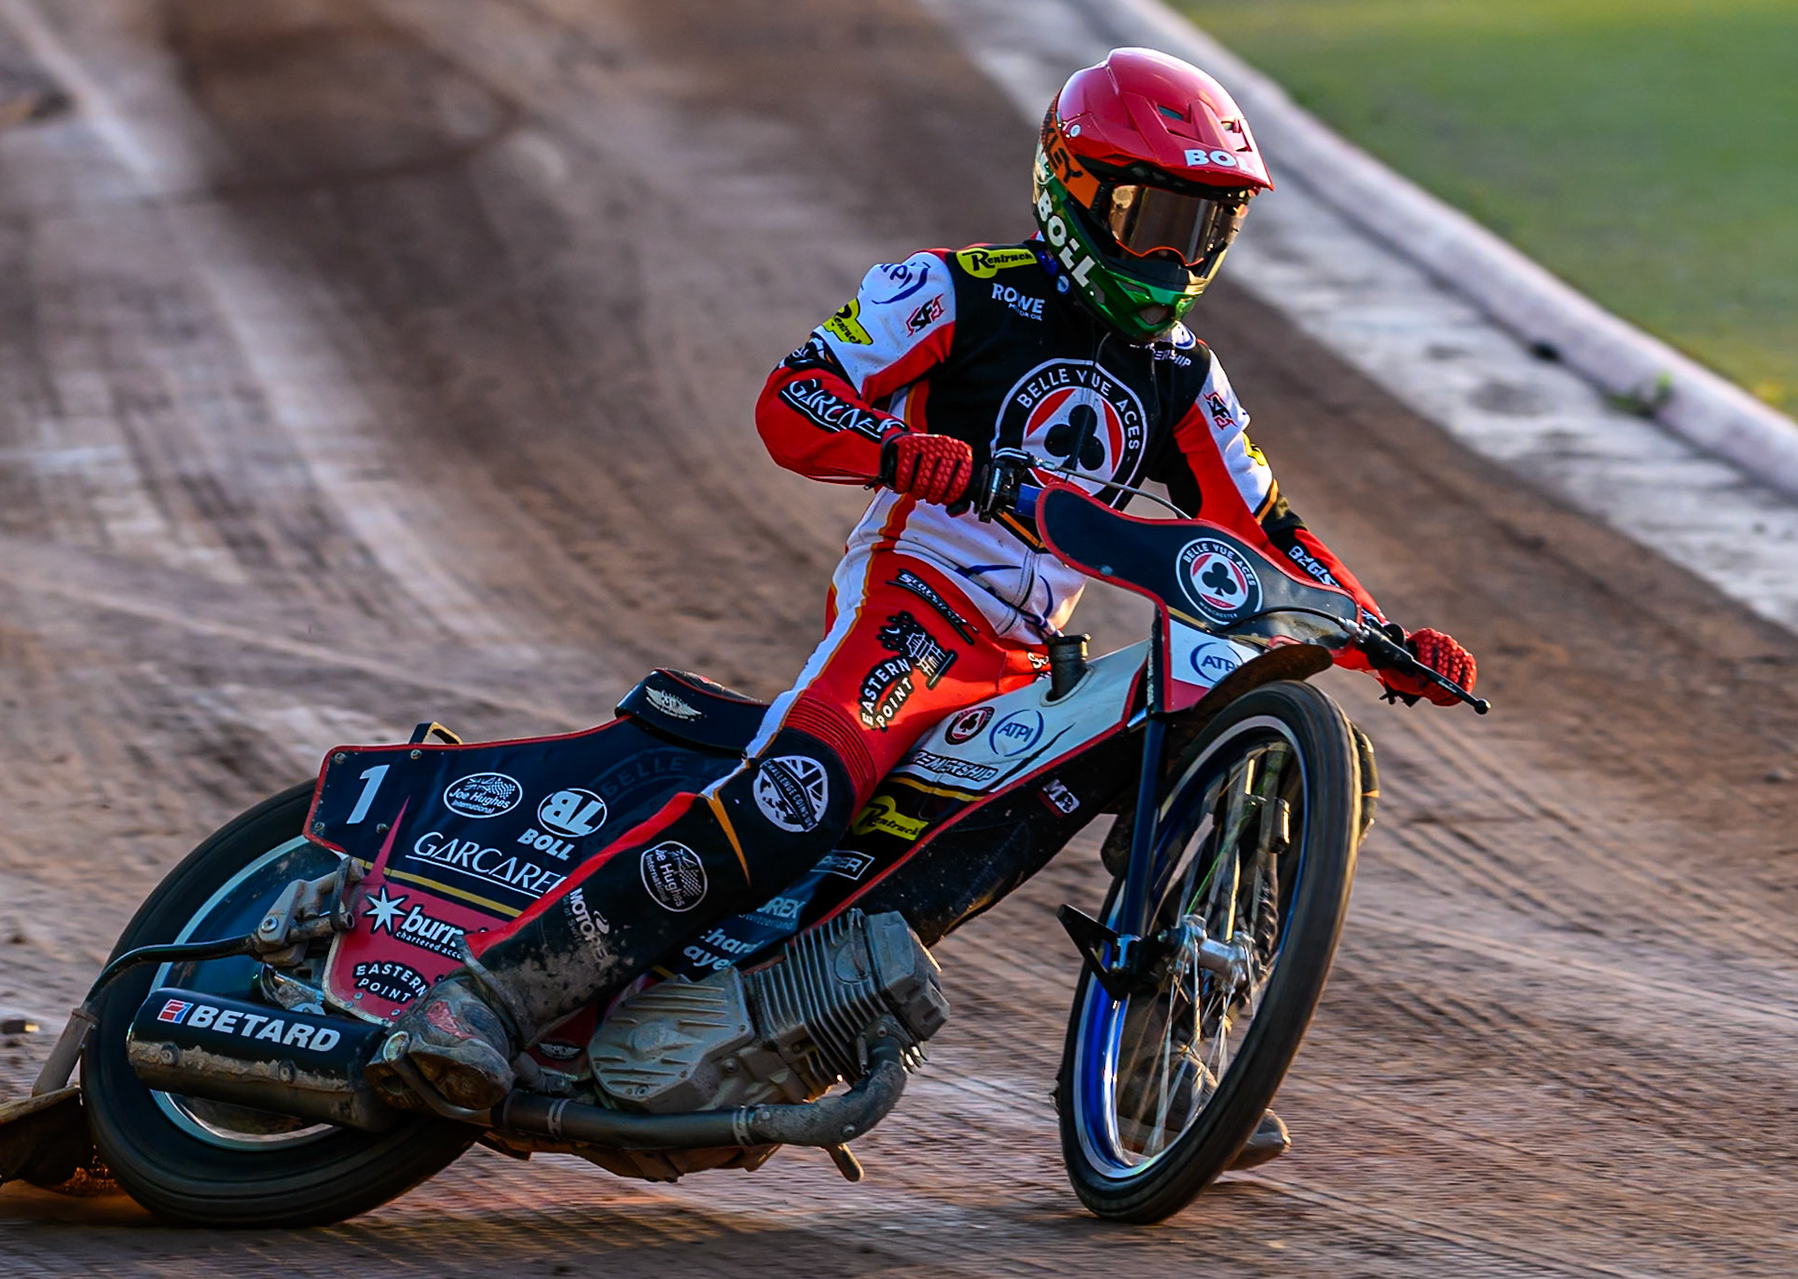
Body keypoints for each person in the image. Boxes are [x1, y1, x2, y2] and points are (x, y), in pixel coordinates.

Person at [369, 49, 1477, 1151]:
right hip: (910, 610)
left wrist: (1385, 638)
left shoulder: (1185, 373)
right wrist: (909, 454)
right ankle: (485, 998)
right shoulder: (952, 287)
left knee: (1232, 714)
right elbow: (793, 401)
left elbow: (1269, 532)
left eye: (1203, 229)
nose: (1171, 255)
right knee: (798, 794)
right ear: (1074, 191)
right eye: (1150, 216)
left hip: (1028, 662)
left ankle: (1170, 1067)